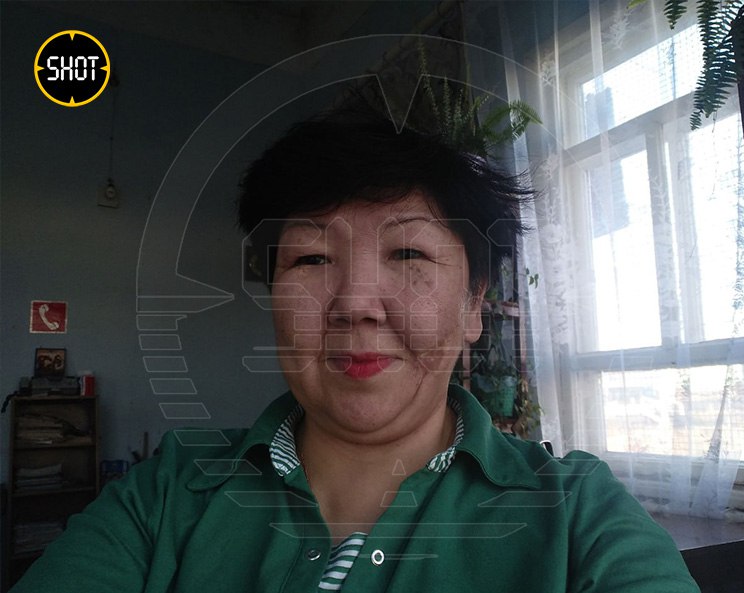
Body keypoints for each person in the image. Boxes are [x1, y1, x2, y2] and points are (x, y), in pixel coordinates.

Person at [11, 103, 699, 593]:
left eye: (407, 253)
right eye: (311, 259)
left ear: (473, 306)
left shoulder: (577, 514)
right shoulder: (167, 493)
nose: (356, 304)